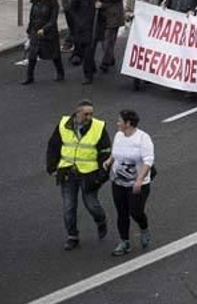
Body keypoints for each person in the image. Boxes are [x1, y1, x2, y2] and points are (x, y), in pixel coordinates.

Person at [45, 98, 112, 251]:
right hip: (68, 173)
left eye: (91, 114)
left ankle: (101, 221)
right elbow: (53, 146)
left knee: (92, 205)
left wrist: (102, 175)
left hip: (89, 175)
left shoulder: (98, 127)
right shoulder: (63, 124)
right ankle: (72, 236)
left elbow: (105, 152)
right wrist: (52, 167)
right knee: (69, 207)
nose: (89, 117)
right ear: (77, 113)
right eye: (86, 114)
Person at [105, 109, 154, 256]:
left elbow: (148, 161)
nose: (117, 123)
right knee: (122, 213)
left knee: (135, 211)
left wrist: (139, 180)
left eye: (120, 121)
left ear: (128, 123)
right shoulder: (119, 135)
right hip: (119, 182)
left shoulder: (142, 139)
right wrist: (109, 161)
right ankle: (124, 242)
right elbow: (115, 153)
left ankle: (144, 228)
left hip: (138, 184)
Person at [24, 0, 65, 84]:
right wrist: (29, 31)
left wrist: (44, 29)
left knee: (54, 54)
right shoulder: (36, 0)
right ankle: (29, 77)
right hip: (35, 31)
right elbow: (32, 16)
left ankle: (60, 73)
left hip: (49, 33)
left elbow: (53, 19)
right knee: (32, 55)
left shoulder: (53, 3)